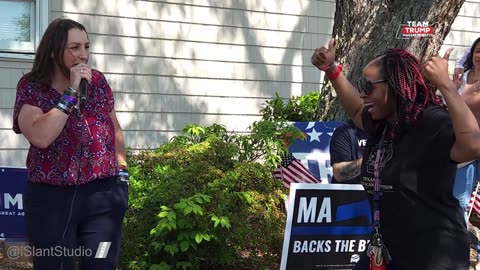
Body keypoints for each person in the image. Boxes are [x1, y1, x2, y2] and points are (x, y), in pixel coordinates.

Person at [311, 38, 480, 270]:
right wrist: (332, 70)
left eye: (369, 86)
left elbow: (473, 144)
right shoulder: (383, 123)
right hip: (387, 250)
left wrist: (446, 85)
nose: (362, 93)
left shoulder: (431, 122)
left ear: (395, 86)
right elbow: (356, 109)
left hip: (432, 254)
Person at [12, 18, 129, 270]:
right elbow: (41, 137)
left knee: (102, 263)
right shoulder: (32, 87)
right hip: (51, 201)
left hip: (103, 198)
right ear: (54, 51)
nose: (83, 55)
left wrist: (123, 173)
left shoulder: (97, 83)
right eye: (75, 48)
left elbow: (114, 128)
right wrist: (71, 92)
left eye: (87, 47)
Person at [451, 37, 480, 270]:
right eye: (478, 51)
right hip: (465, 150)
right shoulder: (461, 78)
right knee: (459, 202)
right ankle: (458, 253)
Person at [329, 119, 367, 184]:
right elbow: (338, 173)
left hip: (383, 190)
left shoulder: (387, 131)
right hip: (351, 191)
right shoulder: (344, 131)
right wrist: (369, 161)